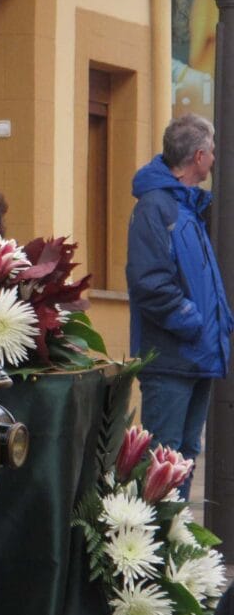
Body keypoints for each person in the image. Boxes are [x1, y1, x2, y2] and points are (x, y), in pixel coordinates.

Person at [126, 113, 233, 497]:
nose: (216, 161)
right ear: (199, 156)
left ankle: (174, 549)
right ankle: (155, 548)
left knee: (185, 456)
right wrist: (194, 324)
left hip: (195, 356)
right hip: (173, 358)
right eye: (214, 153)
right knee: (164, 460)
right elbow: (150, 284)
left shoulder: (186, 209)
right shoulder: (157, 208)